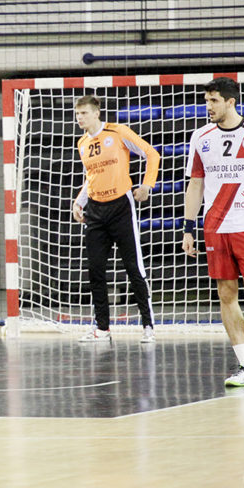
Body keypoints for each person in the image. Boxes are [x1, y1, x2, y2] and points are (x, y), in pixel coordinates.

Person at [182, 77, 244, 387]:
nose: (207, 106)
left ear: (230, 102)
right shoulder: (200, 137)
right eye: (206, 100)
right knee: (226, 294)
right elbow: (196, 184)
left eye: (213, 101)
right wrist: (189, 228)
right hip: (215, 227)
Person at [71, 95, 160, 343]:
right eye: (77, 114)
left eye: (85, 113)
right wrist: (79, 202)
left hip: (121, 206)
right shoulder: (82, 144)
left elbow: (152, 154)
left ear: (97, 113)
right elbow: (91, 178)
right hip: (95, 211)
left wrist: (146, 186)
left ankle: (148, 326)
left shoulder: (118, 132)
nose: (80, 118)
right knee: (95, 270)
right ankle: (102, 328)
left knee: (133, 267)